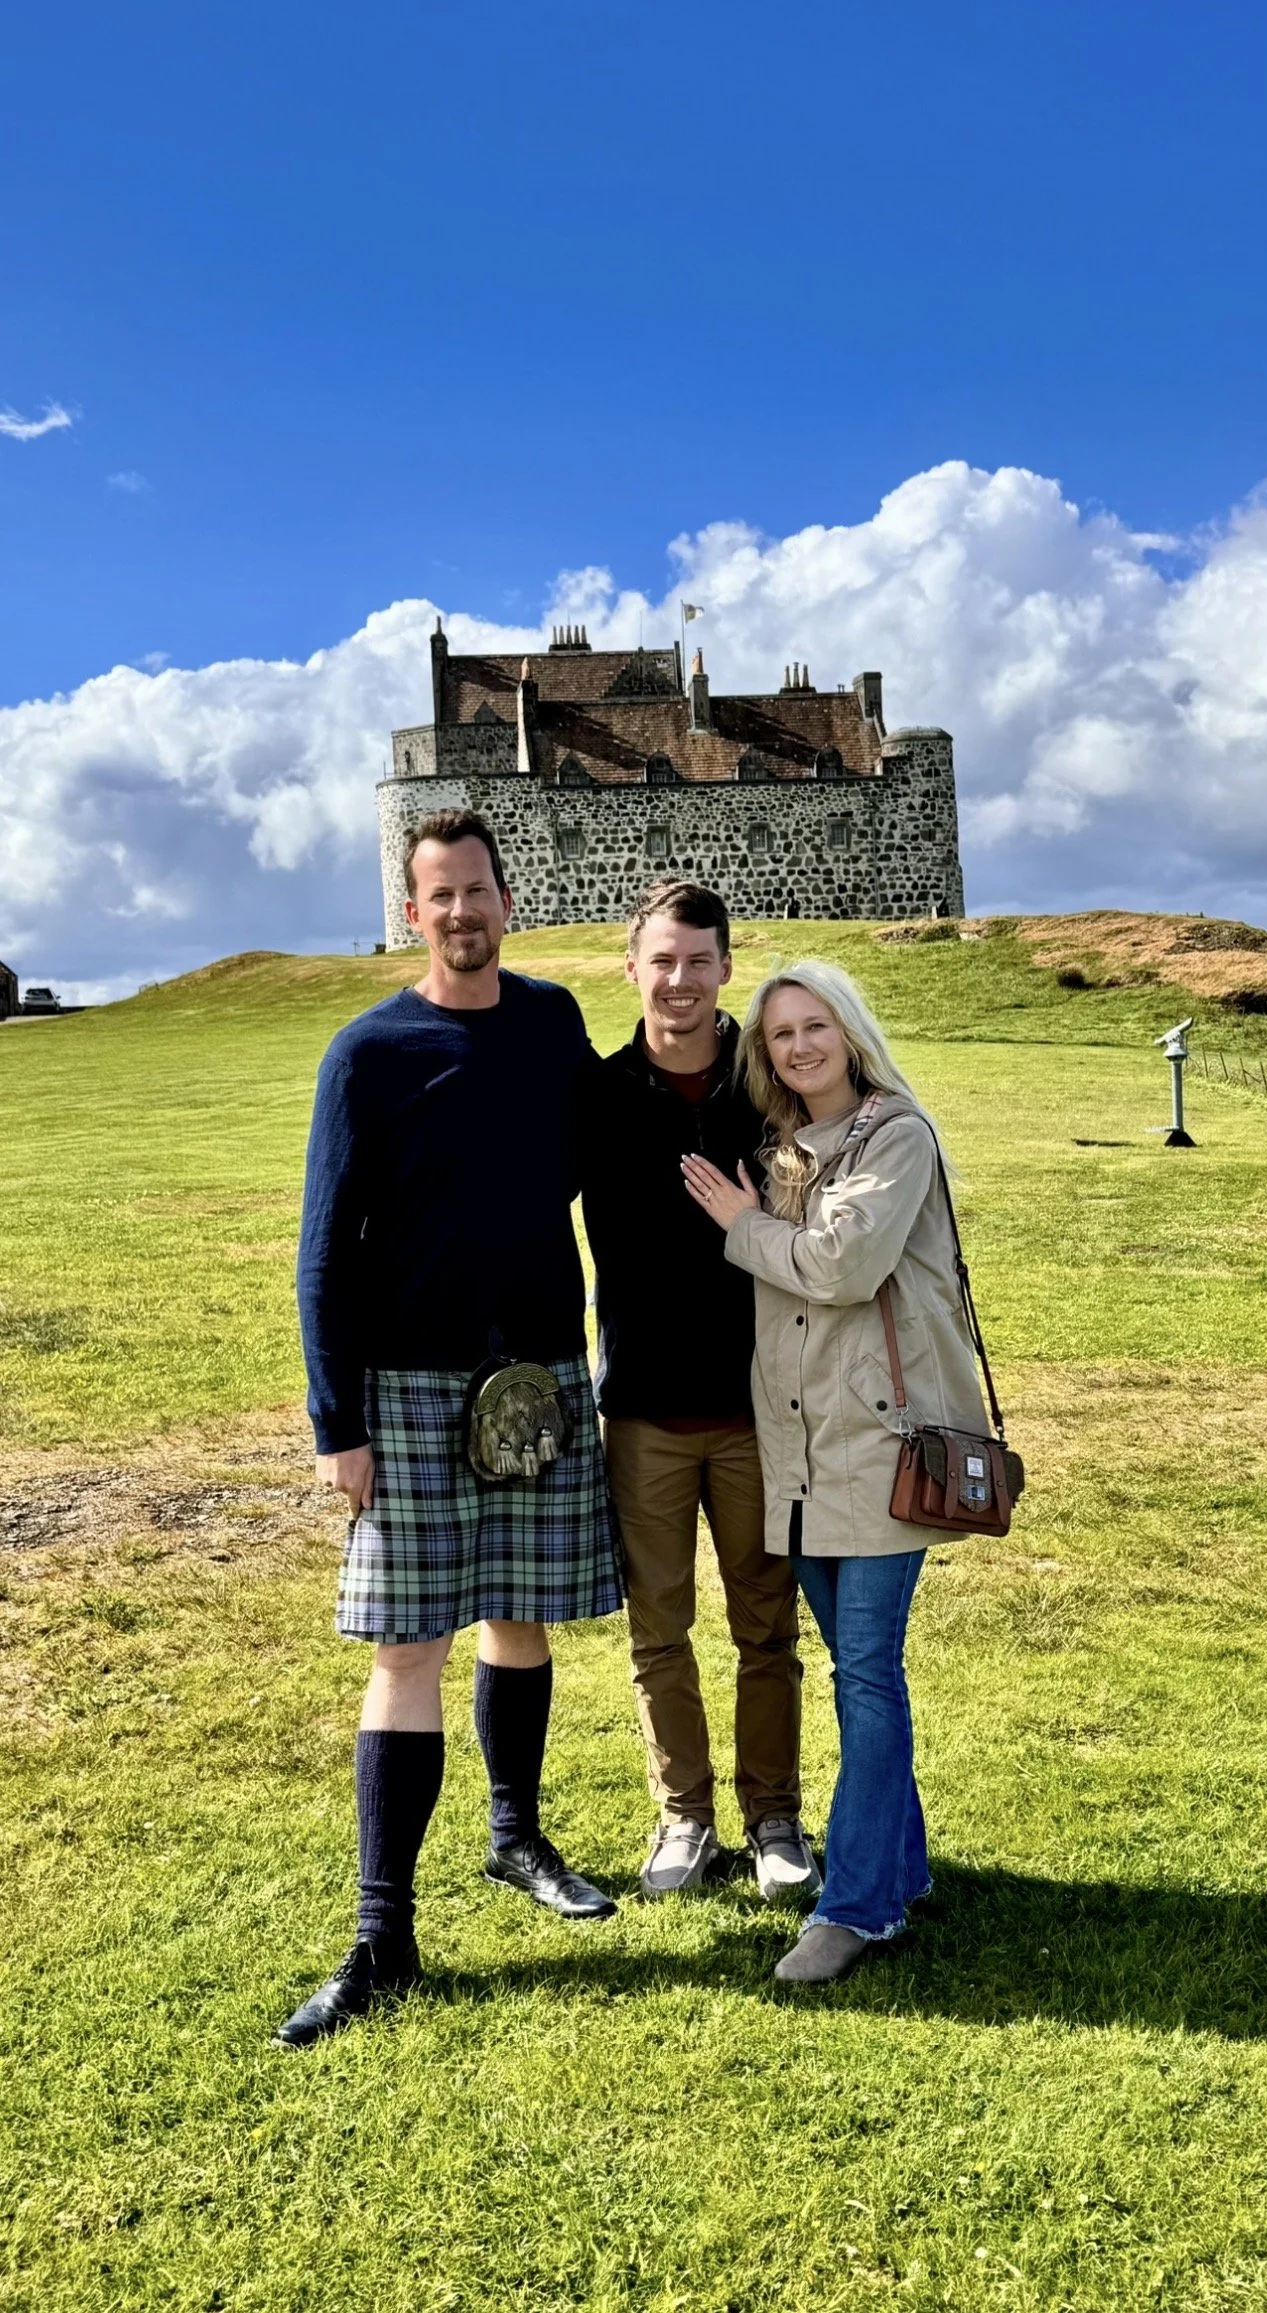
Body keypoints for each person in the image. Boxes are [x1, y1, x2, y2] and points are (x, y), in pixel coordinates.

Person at [277, 810, 624, 2048]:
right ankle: (384, 1936)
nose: (464, 912)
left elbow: (612, 1150)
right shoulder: (366, 1052)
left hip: (532, 1383)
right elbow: (321, 1253)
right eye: (441, 895)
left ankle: (517, 1839)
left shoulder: (550, 1026)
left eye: (479, 890)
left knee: (521, 1619)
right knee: (407, 1648)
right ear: (412, 911)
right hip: (409, 1392)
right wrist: (338, 1421)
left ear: (506, 901)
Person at [680, 960, 988, 1984]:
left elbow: (843, 1270)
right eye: (780, 1036)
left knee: (866, 1673)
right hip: (802, 1457)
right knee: (864, 1678)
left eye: (815, 1026)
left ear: (849, 1032)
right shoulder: (780, 1152)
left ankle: (854, 1910)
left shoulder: (895, 1137)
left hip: (887, 1449)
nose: (800, 1046)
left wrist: (740, 1225)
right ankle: (899, 1870)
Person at [579, 883, 817, 1902]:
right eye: (660, 961)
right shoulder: (596, 1095)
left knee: (766, 1629)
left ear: (727, 967)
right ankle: (684, 1820)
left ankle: (774, 1819)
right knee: (658, 1630)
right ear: (632, 969)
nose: (678, 981)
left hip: (760, 1411)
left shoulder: (767, 1092)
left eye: (698, 961)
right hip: (643, 1412)